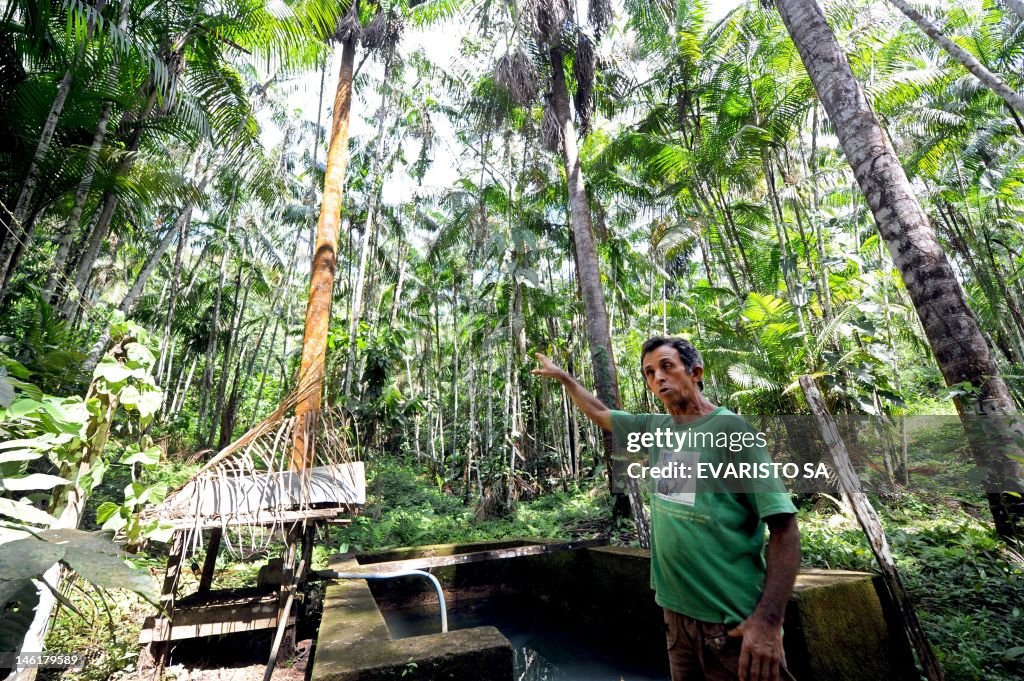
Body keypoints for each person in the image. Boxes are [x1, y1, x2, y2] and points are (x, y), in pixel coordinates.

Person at [533, 336, 801, 681]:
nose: (656, 377)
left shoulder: (731, 430)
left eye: (666, 367)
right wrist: (566, 379)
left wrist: (767, 622)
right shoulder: (657, 429)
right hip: (676, 618)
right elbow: (600, 412)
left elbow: (784, 528)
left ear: (696, 372)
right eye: (648, 372)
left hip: (731, 622)